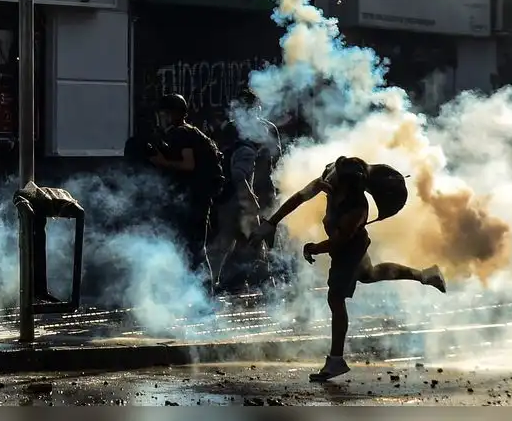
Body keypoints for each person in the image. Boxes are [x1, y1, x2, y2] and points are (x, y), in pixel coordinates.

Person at [252, 156, 447, 381]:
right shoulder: (330, 180)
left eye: (336, 180)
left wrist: (313, 248)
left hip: (350, 249)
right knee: (369, 274)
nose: (329, 183)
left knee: (336, 298)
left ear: (350, 186)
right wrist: (271, 223)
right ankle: (425, 275)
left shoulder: (357, 209)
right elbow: (299, 198)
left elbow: (338, 242)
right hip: (347, 245)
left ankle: (335, 360)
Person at [148, 93, 225, 278]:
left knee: (194, 248)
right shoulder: (189, 132)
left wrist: (161, 162)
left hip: (194, 200)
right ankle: (200, 294)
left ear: (173, 113)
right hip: (196, 198)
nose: (161, 118)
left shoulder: (182, 133)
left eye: (164, 113)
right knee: (193, 248)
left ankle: (204, 295)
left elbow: (188, 164)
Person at [207, 119, 270, 292]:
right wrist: (251, 199)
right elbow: (239, 175)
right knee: (256, 241)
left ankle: (215, 281)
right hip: (240, 206)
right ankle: (265, 284)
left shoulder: (235, 147)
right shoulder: (247, 151)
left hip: (227, 202)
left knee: (224, 244)